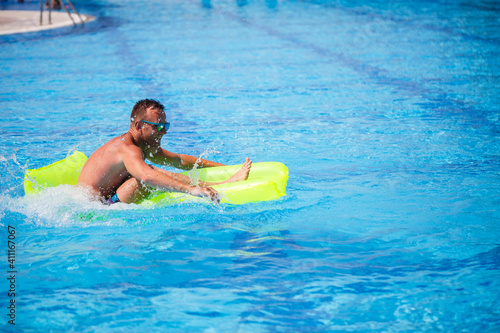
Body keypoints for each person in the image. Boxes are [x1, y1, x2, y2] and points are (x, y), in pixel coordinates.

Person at [77, 99, 252, 204]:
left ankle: (225, 181)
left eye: (165, 126)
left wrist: (228, 168)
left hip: (108, 198)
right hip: (97, 209)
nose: (164, 132)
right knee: (146, 177)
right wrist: (191, 190)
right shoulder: (128, 148)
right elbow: (146, 176)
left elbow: (180, 161)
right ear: (138, 126)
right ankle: (222, 186)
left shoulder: (144, 145)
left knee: (153, 171)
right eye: (158, 127)